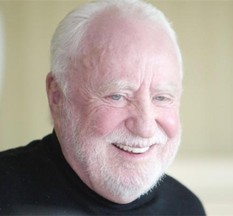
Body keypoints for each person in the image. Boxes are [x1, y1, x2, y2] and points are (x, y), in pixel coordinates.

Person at [0, 0, 205, 215]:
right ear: (57, 96)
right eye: (117, 96)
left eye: (162, 98)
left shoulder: (185, 207)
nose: (145, 127)